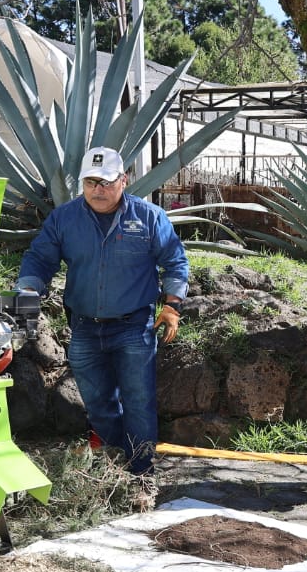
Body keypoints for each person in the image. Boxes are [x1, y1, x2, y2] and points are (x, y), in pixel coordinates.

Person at [17, 146, 186, 486]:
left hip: (134, 327)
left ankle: (140, 475)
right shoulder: (64, 219)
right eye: (91, 182)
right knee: (97, 405)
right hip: (84, 329)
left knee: (138, 402)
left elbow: (175, 260)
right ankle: (116, 465)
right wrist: (29, 290)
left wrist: (172, 305)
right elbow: (40, 258)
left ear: (124, 180)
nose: (98, 189)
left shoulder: (149, 217)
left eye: (106, 182)